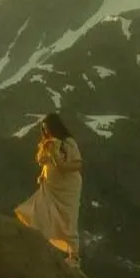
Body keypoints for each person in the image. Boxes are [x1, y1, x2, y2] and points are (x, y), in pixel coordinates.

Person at [15, 112, 84, 266]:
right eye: (44, 129)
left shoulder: (68, 143)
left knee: (68, 219)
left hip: (67, 187)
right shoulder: (47, 143)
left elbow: (77, 164)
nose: (46, 132)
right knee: (40, 211)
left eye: (48, 128)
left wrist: (55, 156)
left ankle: (74, 256)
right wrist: (43, 174)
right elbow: (46, 163)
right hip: (50, 186)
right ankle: (41, 247)